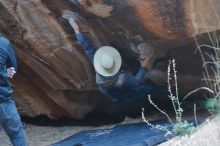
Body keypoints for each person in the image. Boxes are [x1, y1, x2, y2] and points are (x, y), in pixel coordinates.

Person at [66, 13, 167, 104]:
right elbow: (137, 82)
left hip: (106, 90)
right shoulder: (121, 79)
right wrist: (143, 67)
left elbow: (88, 48)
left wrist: (77, 31)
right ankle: (169, 91)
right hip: (122, 97)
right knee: (146, 88)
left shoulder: (97, 65)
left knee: (129, 80)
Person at [0, 35, 27, 146]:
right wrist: (4, 72)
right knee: (17, 135)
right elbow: (13, 68)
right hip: (3, 99)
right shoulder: (3, 43)